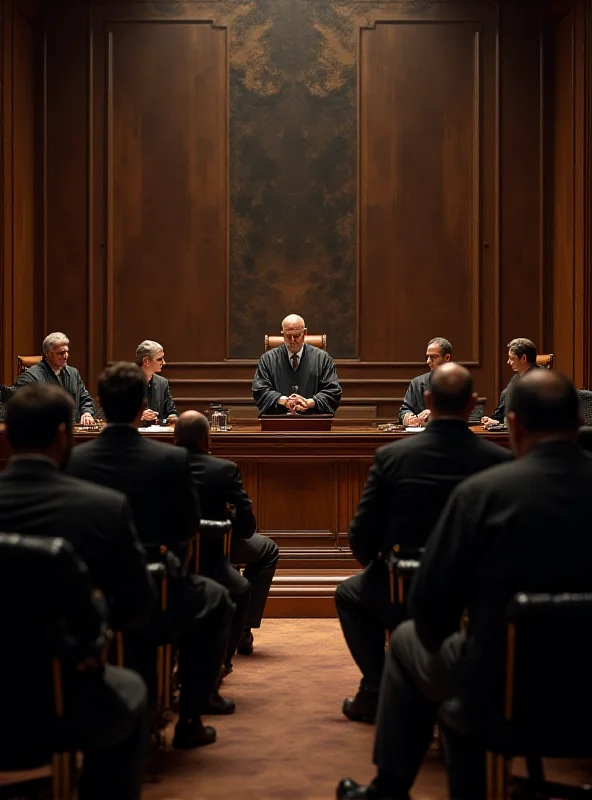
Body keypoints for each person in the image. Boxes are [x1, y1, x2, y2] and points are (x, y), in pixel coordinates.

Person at [337, 369, 592, 800]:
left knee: (406, 639)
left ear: (512, 423)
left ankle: (390, 788)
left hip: (502, 687)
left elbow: (432, 616)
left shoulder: (485, 494)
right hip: (585, 686)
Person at [68, 362, 235, 749]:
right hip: (158, 595)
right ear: (143, 402)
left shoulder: (76, 461)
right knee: (218, 602)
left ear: (101, 405)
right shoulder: (170, 460)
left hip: (92, 602)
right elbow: (188, 526)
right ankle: (191, 714)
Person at [0, 384, 155, 799]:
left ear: (8, 434)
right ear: (64, 434)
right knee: (133, 691)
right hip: (57, 702)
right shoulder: (102, 507)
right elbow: (139, 606)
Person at [335, 364, 511, 724]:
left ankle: (375, 689)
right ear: (473, 404)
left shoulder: (393, 457)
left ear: (428, 400)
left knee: (349, 596)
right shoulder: (498, 461)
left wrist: (378, 565)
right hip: (473, 597)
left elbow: (361, 535)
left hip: (402, 589)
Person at [175, 410, 279, 665]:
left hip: (173, 554)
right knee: (268, 550)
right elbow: (246, 528)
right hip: (216, 551)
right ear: (207, 440)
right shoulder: (223, 469)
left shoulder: (159, 465)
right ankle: (242, 631)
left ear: (174, 438)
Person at [252, 313, 342, 415]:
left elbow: (333, 391)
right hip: (278, 422)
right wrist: (282, 400)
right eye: (288, 336)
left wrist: (309, 403)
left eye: (296, 336)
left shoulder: (323, 359)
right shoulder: (267, 359)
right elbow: (259, 390)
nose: (292, 340)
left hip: (313, 422)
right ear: (283, 334)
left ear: (305, 333)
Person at [15, 332, 95, 424]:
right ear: (48, 354)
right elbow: (23, 411)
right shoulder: (30, 377)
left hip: (72, 431)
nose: (65, 356)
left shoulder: (73, 373)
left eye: (66, 352)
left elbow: (85, 399)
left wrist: (87, 413)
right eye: (61, 353)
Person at [481, 337, 538, 427]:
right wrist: (495, 421)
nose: (508, 362)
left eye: (511, 358)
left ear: (523, 358)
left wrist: (501, 425)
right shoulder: (516, 379)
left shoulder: (539, 382)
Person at [398, 337, 452, 426]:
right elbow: (403, 411)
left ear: (447, 357)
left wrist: (435, 415)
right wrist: (408, 418)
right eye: (428, 357)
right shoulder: (417, 383)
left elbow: (473, 415)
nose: (428, 361)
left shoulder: (460, 381)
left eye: (433, 357)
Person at [136, 339, 177, 424]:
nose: (164, 362)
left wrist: (172, 417)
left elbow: (171, 411)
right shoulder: (125, 381)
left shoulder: (162, 383)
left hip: (157, 434)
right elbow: (116, 412)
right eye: (159, 359)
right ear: (146, 361)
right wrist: (140, 416)